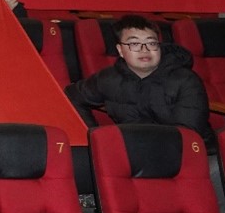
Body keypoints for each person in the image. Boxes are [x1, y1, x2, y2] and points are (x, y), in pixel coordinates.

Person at [65, 15, 212, 150]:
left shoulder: (186, 80)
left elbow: (187, 135)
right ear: (120, 50)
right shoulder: (109, 78)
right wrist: (94, 136)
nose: (144, 50)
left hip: (192, 153)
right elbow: (71, 97)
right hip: (134, 151)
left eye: (151, 43)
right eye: (134, 44)